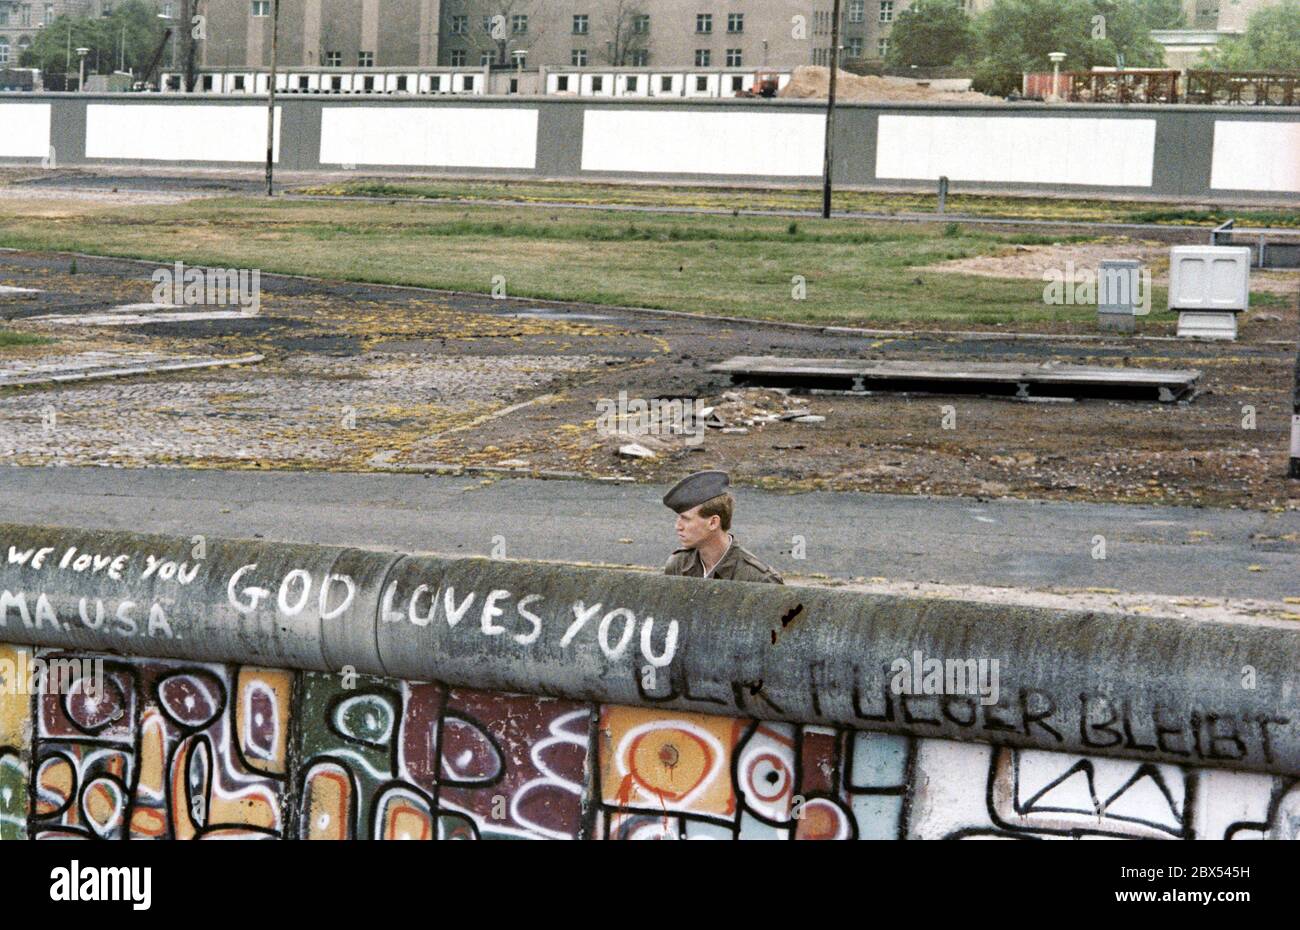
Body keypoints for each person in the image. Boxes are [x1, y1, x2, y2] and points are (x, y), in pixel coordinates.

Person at [661, 470, 784, 584]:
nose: (678, 526)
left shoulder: (759, 579)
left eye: (686, 519)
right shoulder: (679, 565)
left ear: (713, 522)